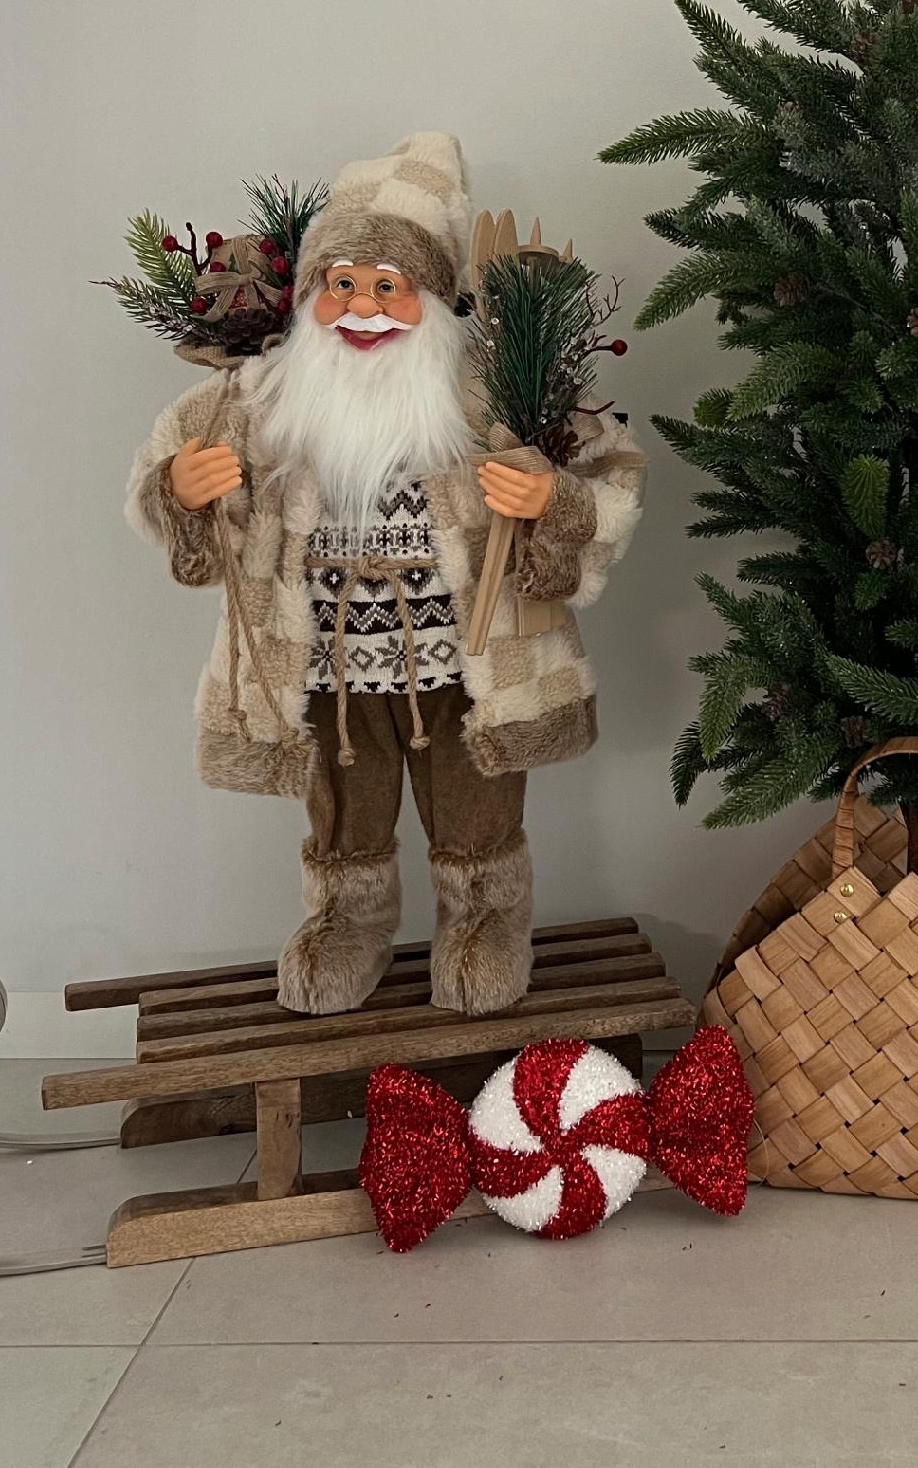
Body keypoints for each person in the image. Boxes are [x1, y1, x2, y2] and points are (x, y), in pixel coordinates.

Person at [129, 135, 644, 1016]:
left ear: (433, 302)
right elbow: (165, 472)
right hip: (326, 667)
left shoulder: (493, 393)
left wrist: (552, 499)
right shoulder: (255, 401)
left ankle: (485, 919)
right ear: (310, 297)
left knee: (477, 799)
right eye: (342, 285)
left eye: (387, 286)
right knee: (343, 808)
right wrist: (179, 489)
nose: (362, 309)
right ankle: (346, 921)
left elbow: (612, 468)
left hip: (465, 661)